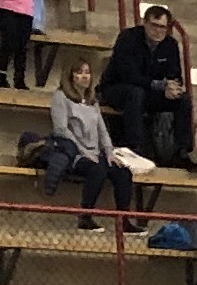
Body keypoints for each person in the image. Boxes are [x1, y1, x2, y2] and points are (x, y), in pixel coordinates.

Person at [102, 3, 193, 175]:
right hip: (116, 88)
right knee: (136, 93)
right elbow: (127, 74)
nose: (158, 31)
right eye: (154, 26)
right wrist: (159, 85)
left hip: (151, 91)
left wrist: (173, 87)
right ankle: (135, 148)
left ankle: (182, 151)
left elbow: (175, 73)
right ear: (145, 23)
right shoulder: (128, 38)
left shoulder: (170, 45)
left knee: (183, 99)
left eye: (163, 27)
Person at [37, 56, 132, 214]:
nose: (84, 76)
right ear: (71, 76)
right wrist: (83, 151)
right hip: (75, 153)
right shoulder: (61, 97)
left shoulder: (92, 101)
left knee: (123, 173)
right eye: (79, 72)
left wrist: (109, 152)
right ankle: (86, 215)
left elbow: (102, 130)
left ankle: (124, 219)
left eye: (87, 72)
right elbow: (61, 129)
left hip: (96, 153)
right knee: (98, 170)